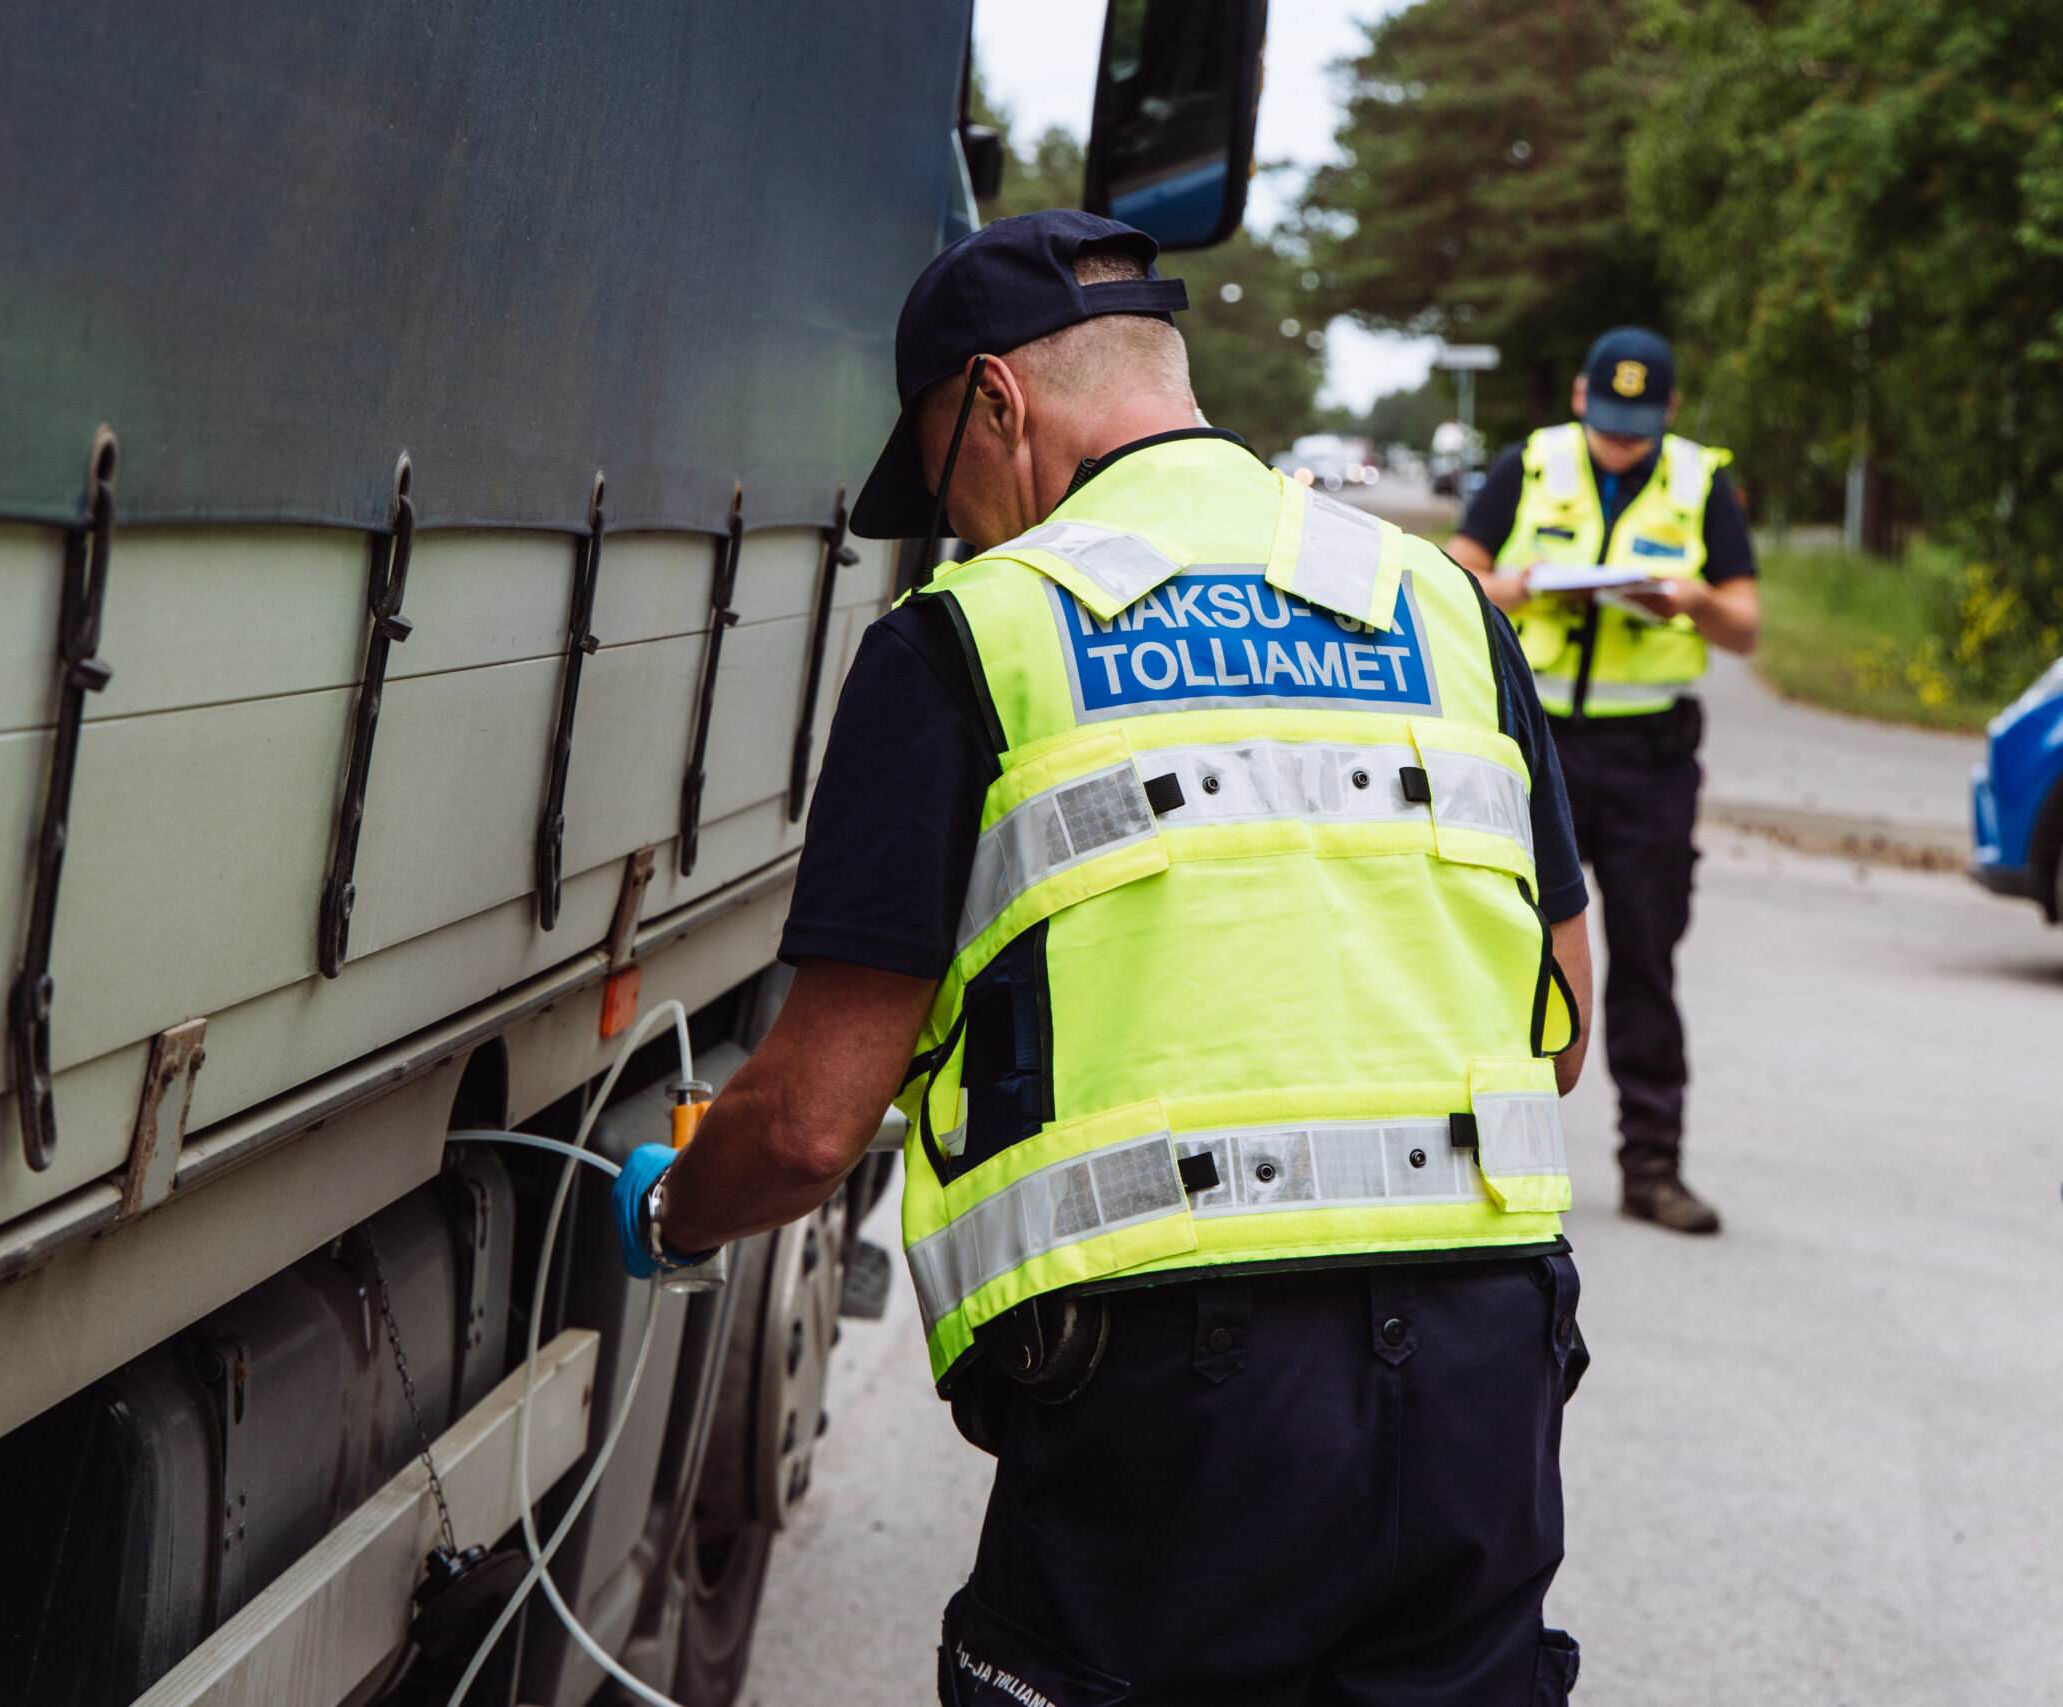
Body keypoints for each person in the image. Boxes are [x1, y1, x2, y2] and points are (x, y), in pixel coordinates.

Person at [612, 209, 1595, 1706]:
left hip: (1181, 1392)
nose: (960, 529)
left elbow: (810, 1125)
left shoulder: (972, 635)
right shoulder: (1441, 602)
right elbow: (1562, 1023)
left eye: (944, 478)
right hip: (1485, 1372)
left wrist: (676, 1211)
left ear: (997, 400)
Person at [1444, 328, 1760, 1236]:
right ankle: (1488, 1161)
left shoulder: (1700, 481)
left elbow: (1744, 626)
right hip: (1533, 747)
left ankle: (1652, 1167)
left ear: (1669, 410)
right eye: (1609, 419)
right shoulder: (1529, 465)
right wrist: (1519, 587)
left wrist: (1692, 599)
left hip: (1649, 758)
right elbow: (1453, 575)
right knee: (1502, 952)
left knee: (1647, 963)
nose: (1621, 440)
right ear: (1581, 396)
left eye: (1639, 424)